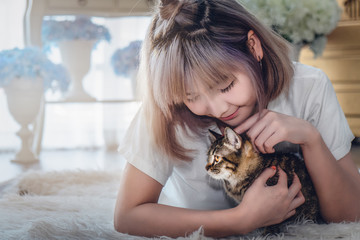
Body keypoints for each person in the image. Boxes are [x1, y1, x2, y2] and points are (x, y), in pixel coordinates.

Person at [114, 0, 360, 238]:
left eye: (226, 86)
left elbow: (350, 215)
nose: (218, 109)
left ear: (254, 47)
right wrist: (240, 220)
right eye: (191, 96)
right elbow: (127, 216)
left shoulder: (310, 87)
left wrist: (310, 139)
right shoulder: (165, 110)